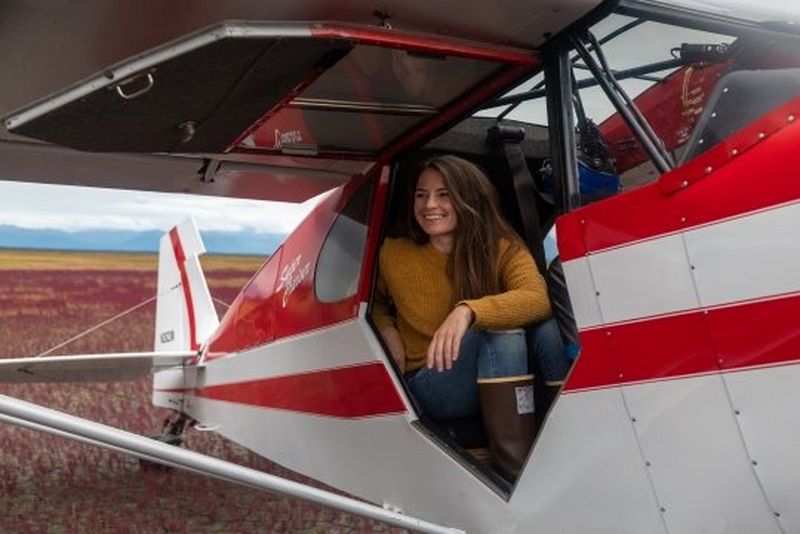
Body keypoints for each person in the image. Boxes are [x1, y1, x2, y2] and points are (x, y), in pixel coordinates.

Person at [371, 154, 565, 481]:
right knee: (499, 335)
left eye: (443, 194)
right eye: (421, 194)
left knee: (549, 330)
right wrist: (386, 327)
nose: (429, 204)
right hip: (433, 382)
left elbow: (538, 299)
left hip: (491, 376)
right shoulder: (394, 252)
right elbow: (371, 303)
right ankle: (514, 476)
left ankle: (567, 437)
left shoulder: (503, 248)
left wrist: (468, 311)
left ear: (469, 198)